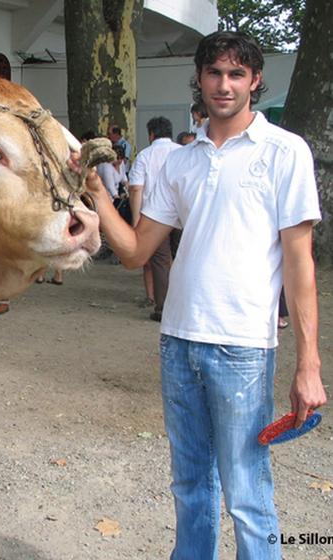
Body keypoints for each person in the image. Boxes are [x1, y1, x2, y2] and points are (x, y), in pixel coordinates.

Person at [83, 31, 326, 560]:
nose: (224, 84)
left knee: (246, 494)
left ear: (255, 81)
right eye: (214, 72)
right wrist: (99, 193)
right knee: (190, 487)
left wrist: (308, 364)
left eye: (237, 74)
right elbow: (133, 252)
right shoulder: (179, 162)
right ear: (199, 78)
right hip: (178, 343)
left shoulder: (285, 152)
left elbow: (299, 262)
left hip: (242, 348)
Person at [128, 116, 181, 321]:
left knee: (160, 263)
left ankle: (163, 308)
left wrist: (135, 221)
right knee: (182, 258)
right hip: (183, 215)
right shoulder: (183, 153)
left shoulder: (145, 155)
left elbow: (135, 188)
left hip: (155, 216)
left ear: (151, 134)